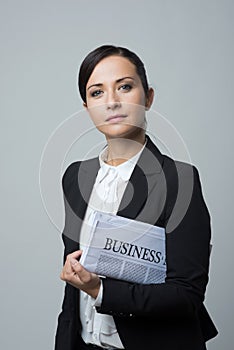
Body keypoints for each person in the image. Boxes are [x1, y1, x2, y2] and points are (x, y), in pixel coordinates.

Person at [54, 45, 218, 350]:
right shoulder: (75, 177)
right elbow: (72, 292)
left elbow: (186, 295)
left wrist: (99, 289)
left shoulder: (179, 180)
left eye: (125, 87)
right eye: (97, 92)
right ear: (86, 107)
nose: (112, 102)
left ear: (149, 97)